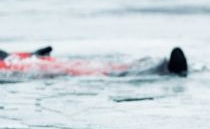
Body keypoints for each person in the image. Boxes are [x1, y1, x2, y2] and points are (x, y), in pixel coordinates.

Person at [0, 46, 188, 77]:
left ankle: (156, 68)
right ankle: (158, 70)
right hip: (33, 67)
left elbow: (5, 55)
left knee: (97, 68)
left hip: (34, 64)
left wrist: (31, 53)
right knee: (93, 71)